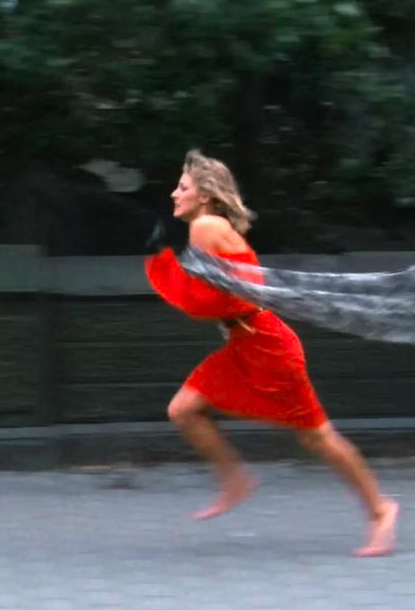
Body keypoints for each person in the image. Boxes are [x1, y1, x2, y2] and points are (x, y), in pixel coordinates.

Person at [145, 149, 399, 558]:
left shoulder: (206, 227)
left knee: (316, 436)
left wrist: (164, 267)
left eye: (184, 187)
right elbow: (216, 296)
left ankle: (380, 509)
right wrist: (170, 267)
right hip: (245, 343)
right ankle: (234, 480)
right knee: (184, 410)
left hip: (266, 346)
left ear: (206, 196)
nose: (175, 194)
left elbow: (204, 303)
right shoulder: (211, 228)